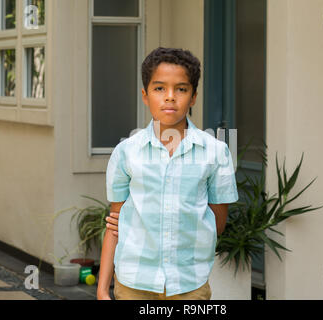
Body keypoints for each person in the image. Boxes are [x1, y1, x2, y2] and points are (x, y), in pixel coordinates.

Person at [97, 47, 238, 300]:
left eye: (181, 89)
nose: (170, 97)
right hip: (133, 283)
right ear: (145, 95)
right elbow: (115, 224)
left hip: (189, 285)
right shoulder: (126, 152)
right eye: (159, 88)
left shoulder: (216, 153)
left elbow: (217, 223)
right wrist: (101, 291)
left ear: (193, 97)